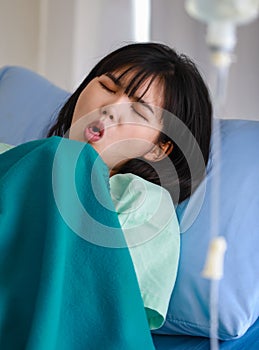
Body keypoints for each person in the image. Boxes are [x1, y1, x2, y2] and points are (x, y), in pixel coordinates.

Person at [48, 42, 212, 204]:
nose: (111, 108)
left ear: (158, 149)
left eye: (138, 111)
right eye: (107, 87)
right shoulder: (34, 161)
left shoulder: (141, 205)